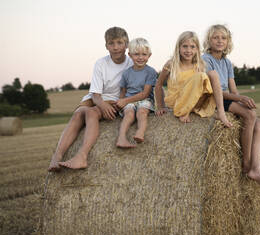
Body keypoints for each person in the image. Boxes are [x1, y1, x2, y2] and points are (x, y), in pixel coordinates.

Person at [48, 27, 133, 171]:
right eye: (111, 43)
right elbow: (95, 94)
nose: (116, 47)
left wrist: (114, 104)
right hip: (97, 97)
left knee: (91, 113)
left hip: (116, 99)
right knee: (78, 113)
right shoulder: (101, 63)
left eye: (119, 43)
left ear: (126, 44)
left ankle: (82, 156)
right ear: (106, 46)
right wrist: (102, 106)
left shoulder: (131, 63)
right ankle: (57, 156)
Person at [202, 24, 260, 189]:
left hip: (226, 97)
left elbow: (233, 89)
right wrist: (239, 98)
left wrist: (243, 100)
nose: (219, 41)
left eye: (223, 38)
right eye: (215, 37)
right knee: (250, 116)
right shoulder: (206, 59)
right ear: (209, 40)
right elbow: (215, 91)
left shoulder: (227, 63)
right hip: (213, 99)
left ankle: (256, 167)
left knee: (259, 123)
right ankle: (246, 162)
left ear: (228, 42)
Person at [154, 31, 232, 127]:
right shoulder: (171, 64)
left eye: (192, 47)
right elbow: (158, 85)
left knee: (213, 74)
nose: (188, 50)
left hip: (194, 102)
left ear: (197, 49)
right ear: (178, 48)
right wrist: (161, 106)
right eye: (185, 46)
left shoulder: (199, 65)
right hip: (178, 102)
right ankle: (184, 111)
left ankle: (221, 112)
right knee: (201, 76)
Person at [115, 38, 157, 148]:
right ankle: (121, 138)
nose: (140, 57)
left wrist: (125, 100)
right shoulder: (126, 73)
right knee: (129, 114)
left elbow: (145, 94)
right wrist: (120, 103)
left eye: (144, 54)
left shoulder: (151, 72)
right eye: (136, 54)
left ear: (149, 55)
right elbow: (123, 92)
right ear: (130, 55)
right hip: (129, 101)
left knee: (142, 112)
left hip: (145, 100)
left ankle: (140, 132)